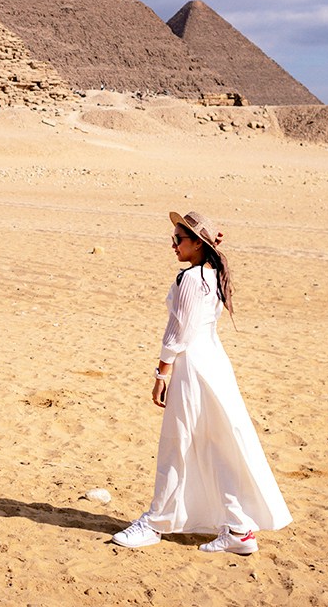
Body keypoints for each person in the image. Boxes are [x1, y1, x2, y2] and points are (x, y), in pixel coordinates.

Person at [112, 211, 291, 554]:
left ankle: (154, 524)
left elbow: (178, 333)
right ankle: (238, 529)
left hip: (192, 367)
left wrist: (161, 374)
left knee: (178, 444)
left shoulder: (191, 279)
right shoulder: (211, 274)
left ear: (198, 243)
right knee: (219, 443)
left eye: (179, 239)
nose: (173, 244)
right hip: (215, 365)